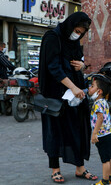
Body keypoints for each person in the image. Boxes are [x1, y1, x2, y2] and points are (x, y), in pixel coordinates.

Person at [38, 12, 98, 183]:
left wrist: (82, 66)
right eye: (76, 30)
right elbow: (54, 68)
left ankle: (80, 168)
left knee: (78, 128)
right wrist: (74, 87)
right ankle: (55, 169)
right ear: (70, 25)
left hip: (74, 96)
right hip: (55, 94)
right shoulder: (52, 37)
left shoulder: (74, 42)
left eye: (80, 33)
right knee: (54, 131)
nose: (77, 34)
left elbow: (77, 62)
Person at [88, 75, 111, 185]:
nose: (89, 88)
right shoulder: (104, 101)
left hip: (102, 136)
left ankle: (105, 182)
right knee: (109, 158)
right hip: (109, 134)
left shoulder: (97, 103)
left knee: (105, 160)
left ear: (99, 91)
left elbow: (100, 118)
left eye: (92, 86)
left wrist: (94, 133)